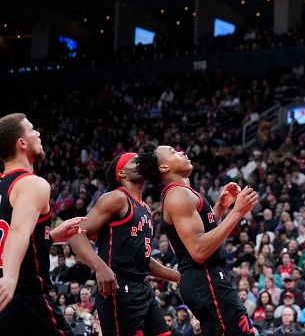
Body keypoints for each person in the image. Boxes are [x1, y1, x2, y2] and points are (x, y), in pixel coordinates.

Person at [137, 143, 259, 336]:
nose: (181, 152)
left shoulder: (182, 193)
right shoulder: (178, 195)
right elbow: (199, 251)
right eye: (173, 152)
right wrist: (237, 212)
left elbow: (199, 236)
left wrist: (219, 208)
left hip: (205, 279)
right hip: (206, 278)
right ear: (164, 167)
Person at [68, 152, 180, 336]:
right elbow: (75, 233)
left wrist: (178, 277)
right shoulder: (117, 198)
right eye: (135, 161)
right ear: (121, 174)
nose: (142, 162)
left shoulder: (145, 208)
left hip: (143, 288)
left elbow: (144, 259)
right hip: (119, 289)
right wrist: (100, 267)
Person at [0, 113, 86, 334]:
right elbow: (17, 231)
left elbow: (11, 232)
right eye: (32, 130)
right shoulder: (31, 183)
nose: (38, 134)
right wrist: (9, 278)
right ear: (22, 143)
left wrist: (51, 237)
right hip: (24, 295)